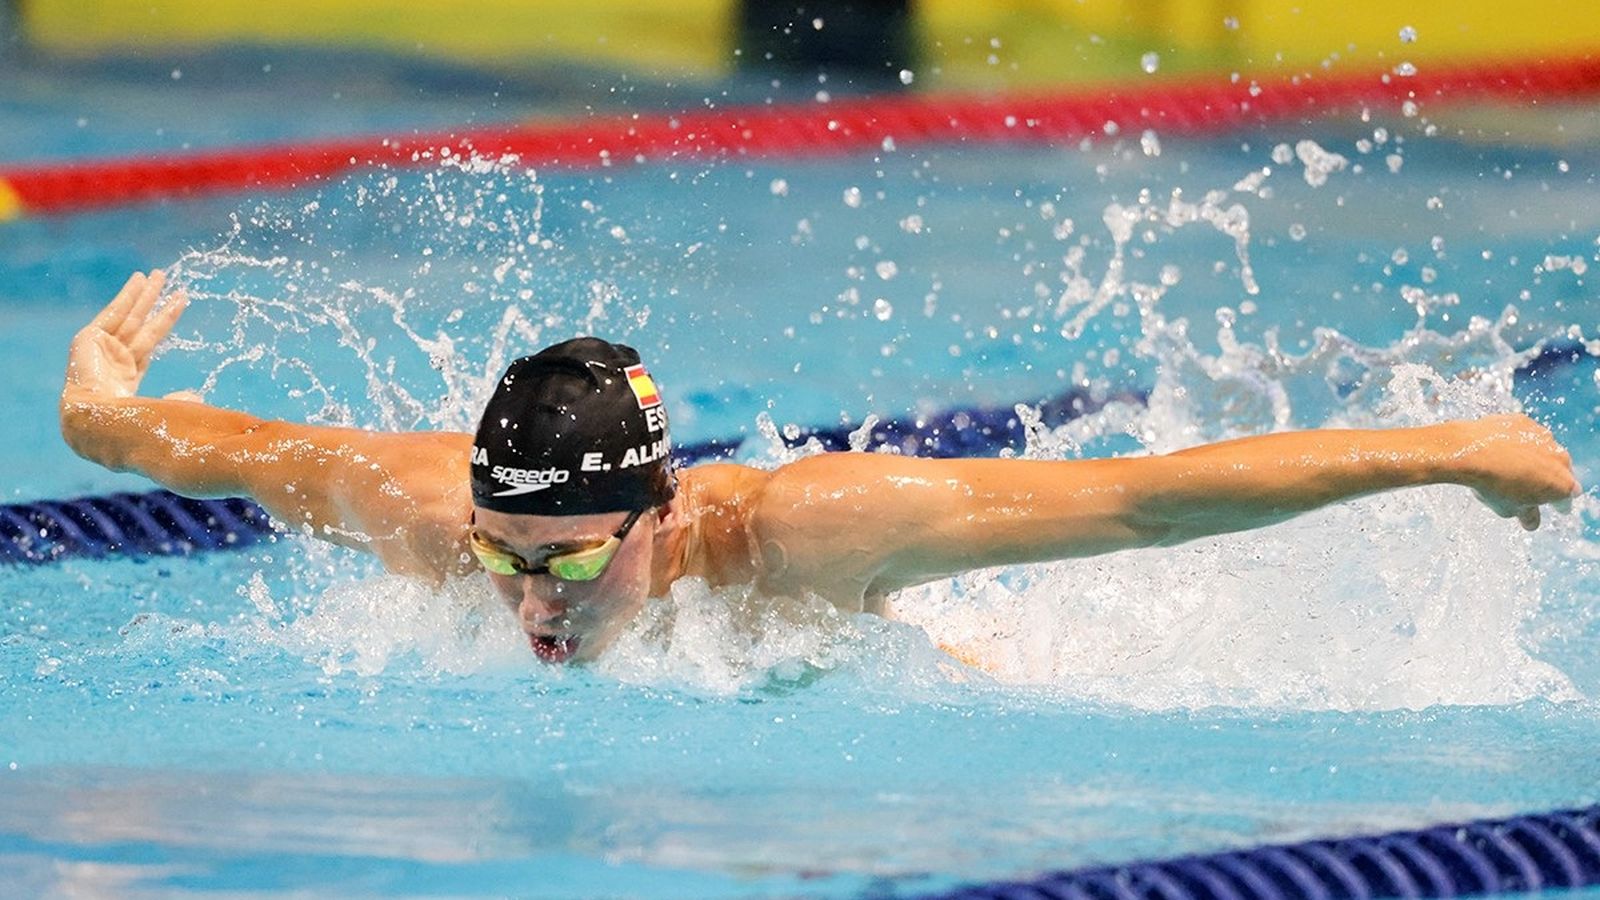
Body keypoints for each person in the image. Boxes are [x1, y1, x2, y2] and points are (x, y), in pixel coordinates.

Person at [60, 271, 1582, 664]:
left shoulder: (807, 531)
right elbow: (190, 442)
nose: (531, 598)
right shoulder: (429, 519)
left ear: (660, 514)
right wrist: (98, 408)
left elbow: (1145, 494)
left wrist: (1448, 446)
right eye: (506, 554)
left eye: (574, 558)